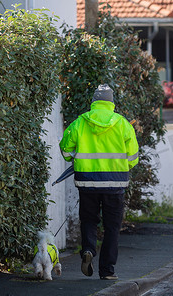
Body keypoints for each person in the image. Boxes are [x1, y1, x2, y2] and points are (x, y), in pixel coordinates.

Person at [59, 84, 139, 280]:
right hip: (115, 185)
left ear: (94, 102)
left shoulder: (80, 122)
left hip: (87, 183)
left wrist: (75, 159)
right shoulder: (122, 124)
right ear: (111, 103)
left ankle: (88, 249)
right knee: (112, 227)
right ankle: (107, 271)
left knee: (89, 220)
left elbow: (65, 150)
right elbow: (133, 158)